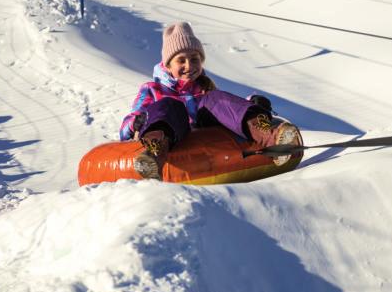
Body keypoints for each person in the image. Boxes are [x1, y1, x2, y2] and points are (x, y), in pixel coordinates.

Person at [120, 21, 297, 180]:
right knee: (170, 106)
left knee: (214, 99)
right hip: (172, 136)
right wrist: (135, 123)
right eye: (181, 60)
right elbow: (124, 129)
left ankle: (273, 139)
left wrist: (253, 103)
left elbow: (226, 110)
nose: (189, 66)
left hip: (206, 139)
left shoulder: (205, 88)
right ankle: (154, 155)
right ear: (167, 65)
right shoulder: (152, 89)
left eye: (194, 59)